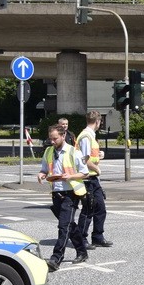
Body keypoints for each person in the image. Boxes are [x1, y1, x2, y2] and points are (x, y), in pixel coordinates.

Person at [37, 124, 89, 271]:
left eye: (55, 138)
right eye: (50, 138)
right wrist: (41, 174)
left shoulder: (74, 152)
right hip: (56, 192)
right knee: (69, 225)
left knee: (63, 226)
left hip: (71, 193)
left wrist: (71, 176)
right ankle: (82, 251)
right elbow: (45, 169)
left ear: (63, 136)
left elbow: (85, 173)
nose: (52, 141)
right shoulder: (48, 151)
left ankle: (56, 258)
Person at [76, 110, 113, 249]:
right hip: (87, 178)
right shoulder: (86, 136)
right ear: (97, 122)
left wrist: (99, 155)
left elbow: (91, 155)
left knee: (100, 208)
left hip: (93, 179)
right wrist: (97, 168)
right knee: (88, 209)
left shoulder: (90, 135)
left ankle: (98, 236)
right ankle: (81, 238)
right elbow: (84, 159)